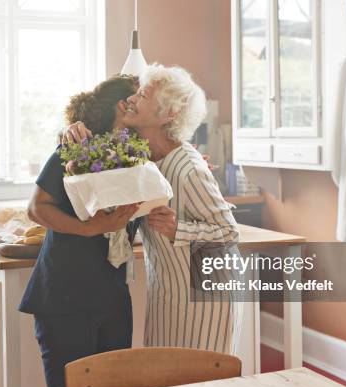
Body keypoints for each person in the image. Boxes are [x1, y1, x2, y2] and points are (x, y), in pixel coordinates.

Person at [64, 63, 242, 355]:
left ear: (168, 113)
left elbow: (229, 232)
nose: (132, 100)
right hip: (167, 291)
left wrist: (178, 228)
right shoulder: (143, 159)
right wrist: (71, 131)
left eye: (143, 95)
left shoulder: (189, 169)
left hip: (205, 300)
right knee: (164, 383)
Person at [19, 75, 141, 387]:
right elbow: (36, 208)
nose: (144, 106)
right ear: (123, 105)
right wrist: (90, 228)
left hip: (113, 295)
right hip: (65, 296)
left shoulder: (137, 152)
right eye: (139, 99)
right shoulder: (77, 145)